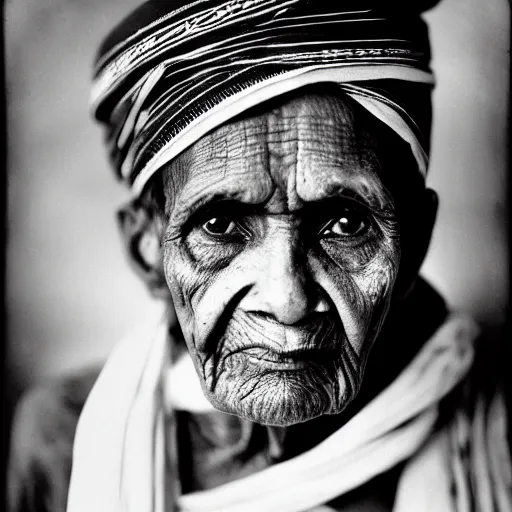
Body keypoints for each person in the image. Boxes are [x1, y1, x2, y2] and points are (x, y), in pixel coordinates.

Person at [8, 1, 512, 511]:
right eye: (220, 225)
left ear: (416, 242)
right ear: (147, 250)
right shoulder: (64, 441)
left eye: (344, 224)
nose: (287, 299)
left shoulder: (495, 434)